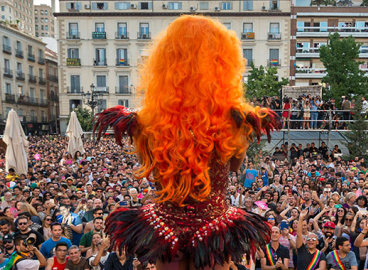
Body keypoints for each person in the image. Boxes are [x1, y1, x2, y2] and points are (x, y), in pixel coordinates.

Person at [93, 15, 280, 270]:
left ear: (165, 61)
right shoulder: (235, 120)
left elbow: (147, 167)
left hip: (166, 228)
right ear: (221, 62)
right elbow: (235, 168)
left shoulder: (146, 122)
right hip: (214, 228)